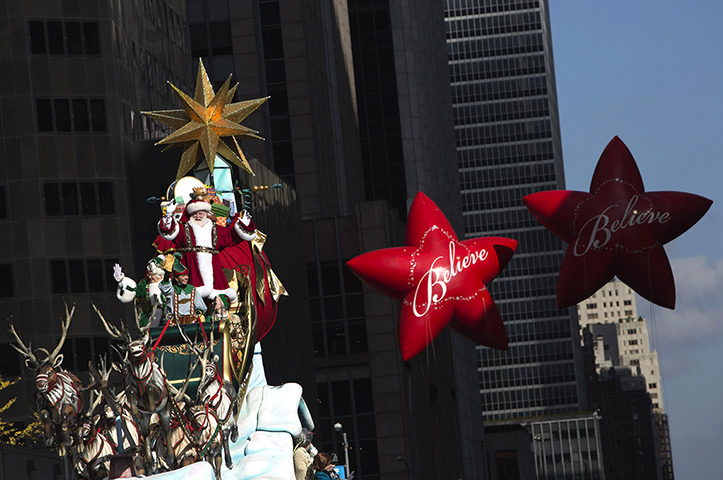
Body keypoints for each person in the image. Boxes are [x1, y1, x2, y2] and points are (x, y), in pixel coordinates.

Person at [157, 198, 257, 303]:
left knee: (218, 299)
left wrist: (245, 224)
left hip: (213, 270)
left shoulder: (215, 229)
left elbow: (231, 236)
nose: (198, 216)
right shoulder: (183, 228)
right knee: (189, 299)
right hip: (191, 267)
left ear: (206, 213)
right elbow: (169, 230)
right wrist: (168, 214)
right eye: (194, 214)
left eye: (200, 213)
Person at [113, 256, 168, 327]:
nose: (149, 277)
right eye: (149, 274)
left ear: (159, 274)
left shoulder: (168, 284)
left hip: (167, 317)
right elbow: (135, 290)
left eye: (152, 275)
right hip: (151, 317)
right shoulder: (145, 285)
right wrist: (122, 280)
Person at [159, 254, 208, 325]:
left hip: (191, 324)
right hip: (175, 325)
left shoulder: (192, 289)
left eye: (187, 275)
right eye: (183, 276)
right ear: (176, 278)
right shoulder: (172, 290)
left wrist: (198, 313)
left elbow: (201, 307)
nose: (186, 278)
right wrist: (167, 272)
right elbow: (165, 286)